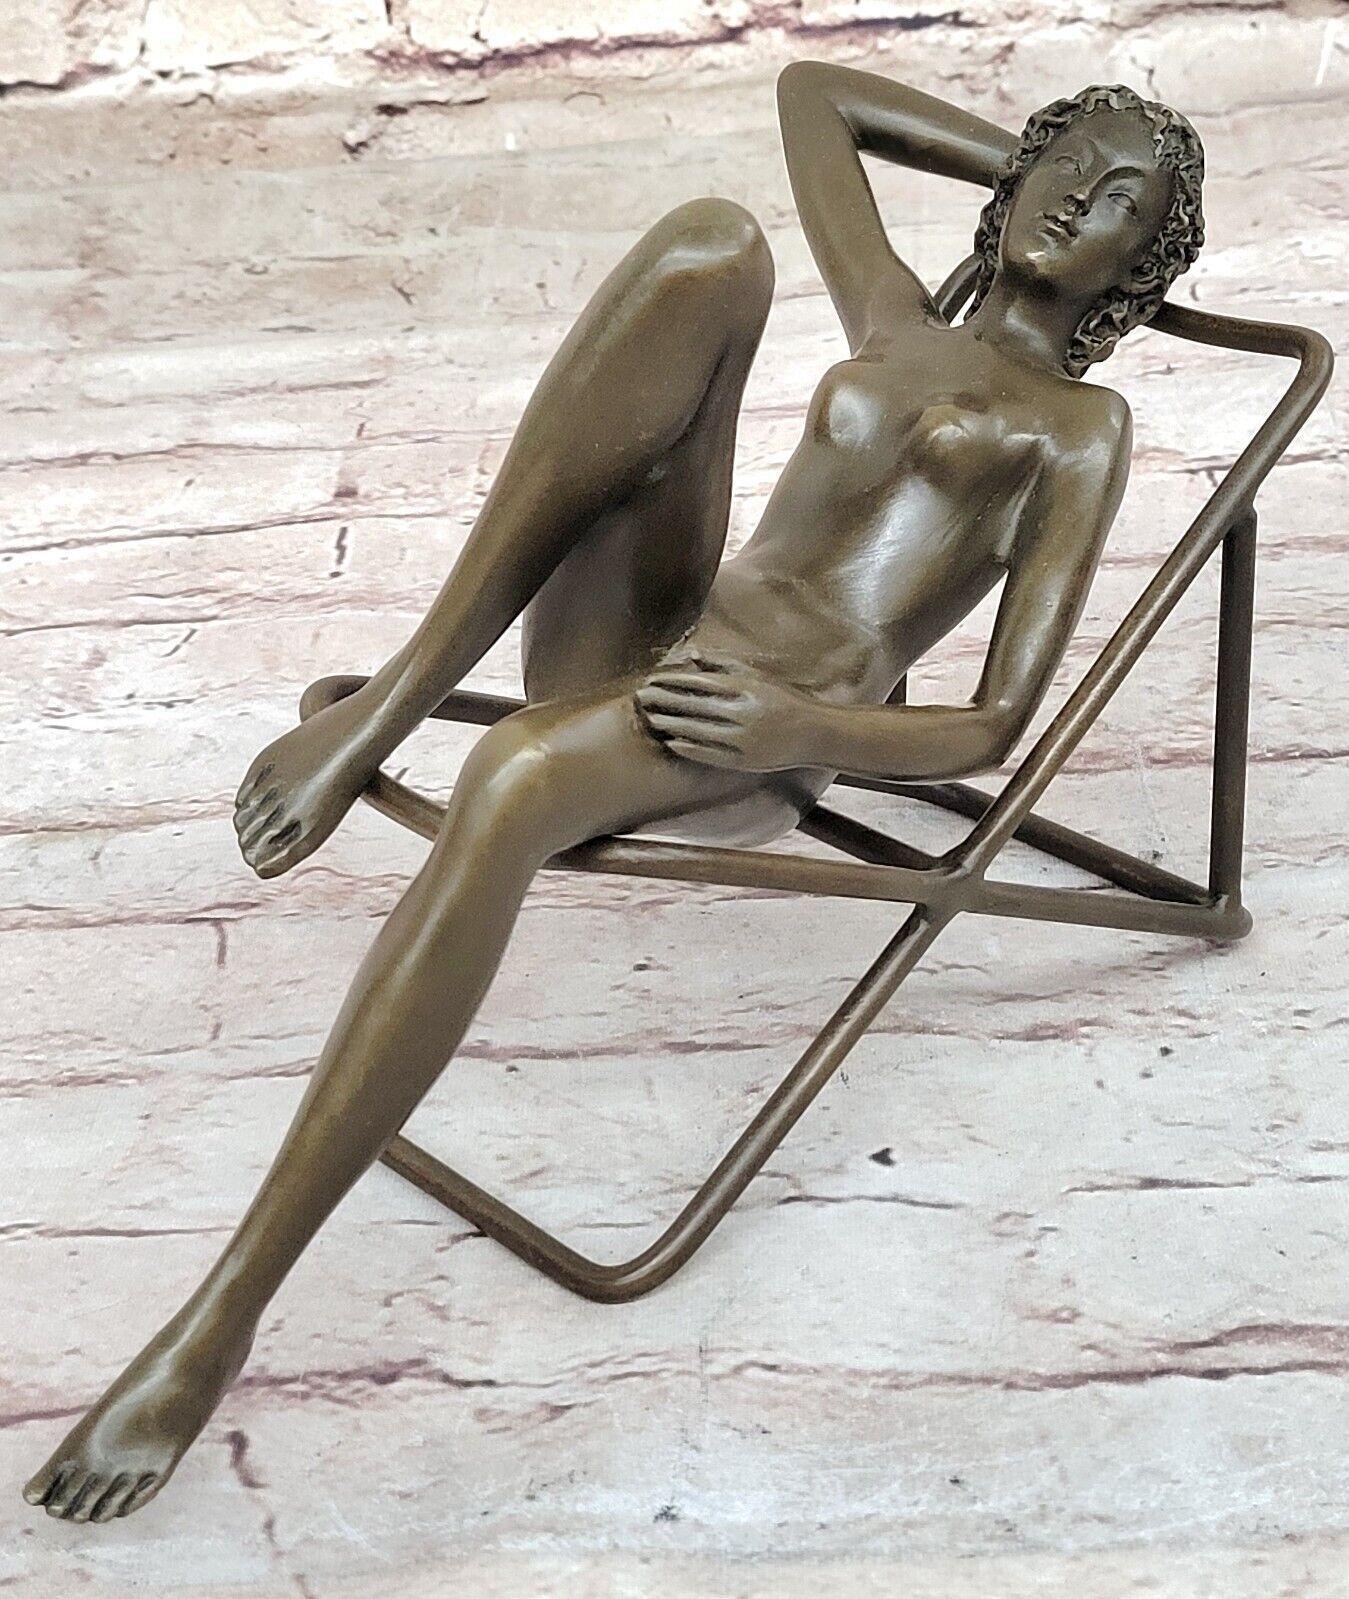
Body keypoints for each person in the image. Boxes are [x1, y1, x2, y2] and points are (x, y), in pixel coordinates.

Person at [25, 65, 1204, 1522]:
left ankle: (216, 1324)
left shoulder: (1080, 430)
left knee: (514, 771)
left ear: (1142, 265)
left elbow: (996, 725)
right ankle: (390, 703)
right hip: (642, 644)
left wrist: (798, 723)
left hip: (749, 737)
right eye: (1061, 168)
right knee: (710, 245)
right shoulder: (898, 320)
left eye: (1117, 204)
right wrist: (1025, 161)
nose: (1074, 203)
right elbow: (816, 96)